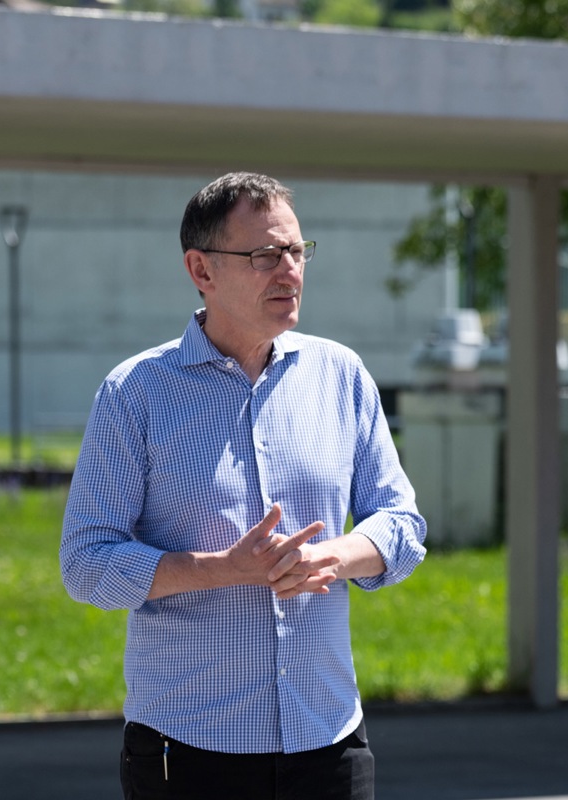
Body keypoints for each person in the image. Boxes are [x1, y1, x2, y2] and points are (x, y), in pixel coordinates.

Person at [60, 172, 427, 800]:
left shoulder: (342, 376)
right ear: (201, 270)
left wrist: (328, 558)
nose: (288, 271)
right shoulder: (135, 394)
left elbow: (403, 526)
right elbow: (85, 564)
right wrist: (226, 568)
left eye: (296, 251)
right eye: (264, 255)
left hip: (330, 741)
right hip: (190, 750)